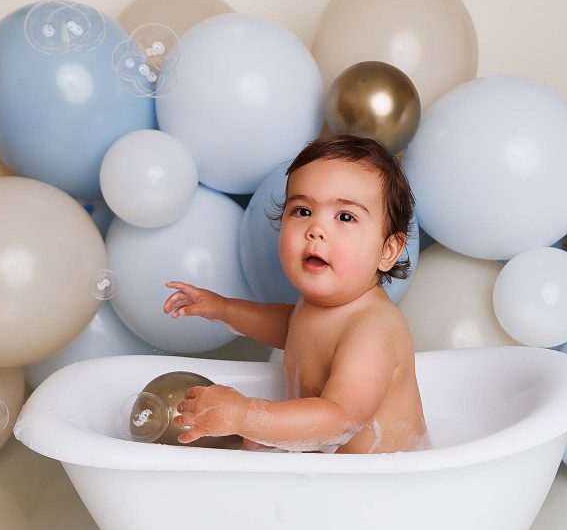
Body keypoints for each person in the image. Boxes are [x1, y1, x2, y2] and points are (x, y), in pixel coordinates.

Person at [161, 134, 429, 454]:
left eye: (345, 216)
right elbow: (292, 329)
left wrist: (247, 415)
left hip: (378, 486)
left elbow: (340, 419)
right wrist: (224, 309)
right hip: (327, 470)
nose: (315, 229)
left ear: (388, 251)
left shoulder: (372, 329)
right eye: (302, 211)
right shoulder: (320, 308)